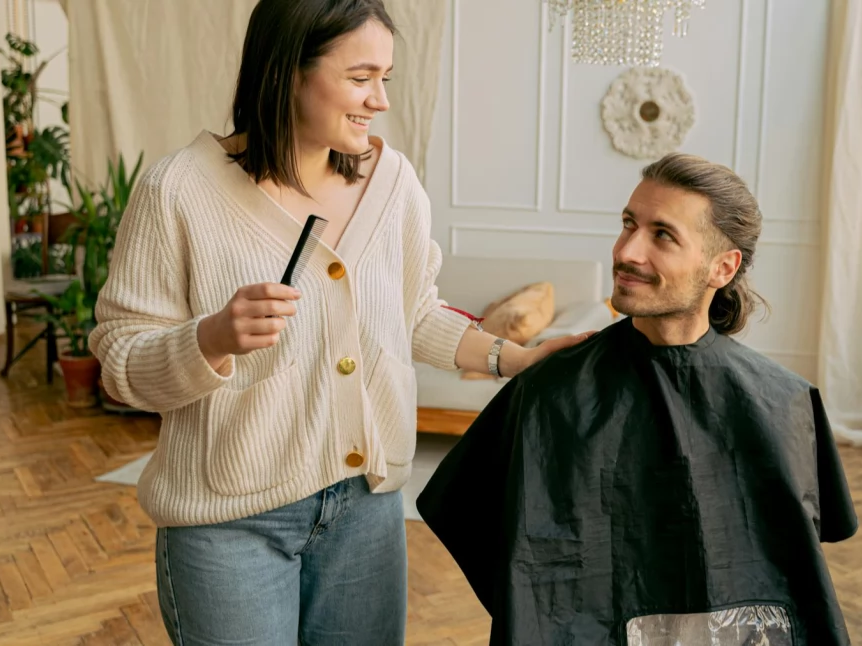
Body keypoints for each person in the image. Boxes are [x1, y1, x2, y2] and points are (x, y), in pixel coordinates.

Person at [87, 0, 585, 643]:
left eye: (387, 78)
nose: (379, 99)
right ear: (288, 70)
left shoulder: (394, 182)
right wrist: (209, 338)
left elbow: (412, 315)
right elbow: (120, 367)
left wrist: (512, 359)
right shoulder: (178, 192)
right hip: (229, 522)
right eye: (360, 78)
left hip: (366, 512)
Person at [417, 153, 860, 645]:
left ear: (722, 266)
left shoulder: (786, 402)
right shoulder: (549, 388)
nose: (627, 251)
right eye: (628, 224)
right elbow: (468, 517)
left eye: (662, 235)